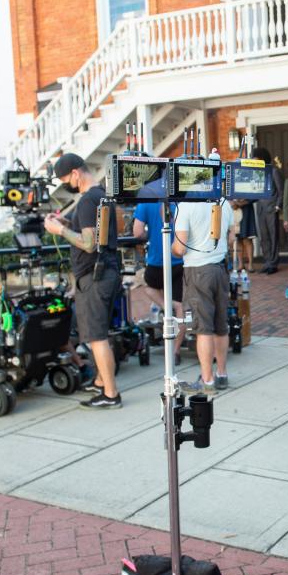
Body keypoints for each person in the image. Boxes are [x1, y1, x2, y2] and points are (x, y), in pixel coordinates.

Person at [44, 154, 122, 409]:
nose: (66, 184)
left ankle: (110, 394)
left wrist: (61, 231)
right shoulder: (102, 194)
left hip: (94, 276)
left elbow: (89, 244)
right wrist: (70, 223)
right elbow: (96, 233)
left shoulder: (88, 199)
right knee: (101, 333)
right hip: (107, 270)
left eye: (65, 179)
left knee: (96, 336)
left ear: (76, 173)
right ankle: (101, 381)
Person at [173, 198, 236, 393]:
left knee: (203, 328)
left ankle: (207, 380)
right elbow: (232, 237)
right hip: (220, 268)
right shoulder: (224, 203)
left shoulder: (185, 206)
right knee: (220, 325)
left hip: (197, 270)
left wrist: (171, 248)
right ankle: (222, 374)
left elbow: (180, 248)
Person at [133, 201, 185, 365]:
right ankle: (175, 351)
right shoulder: (179, 199)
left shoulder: (145, 202)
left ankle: (164, 306)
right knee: (180, 306)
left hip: (156, 261)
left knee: (149, 288)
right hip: (178, 259)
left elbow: (137, 232)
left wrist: (150, 234)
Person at [254, 147, 283, 275]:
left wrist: (277, 206)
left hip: (272, 209)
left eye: (256, 158)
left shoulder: (274, 171)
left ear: (262, 158)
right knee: (263, 237)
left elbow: (281, 191)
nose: (254, 160)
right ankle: (267, 262)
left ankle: (273, 263)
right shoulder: (256, 172)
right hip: (260, 209)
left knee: (273, 236)